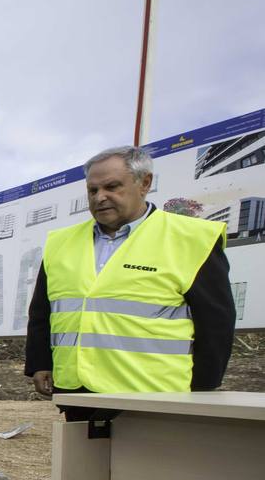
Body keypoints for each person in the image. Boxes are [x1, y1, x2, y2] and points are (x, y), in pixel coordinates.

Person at [24, 145, 235, 415]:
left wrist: (202, 389)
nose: (100, 197)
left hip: (153, 394)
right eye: (93, 190)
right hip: (77, 393)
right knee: (82, 459)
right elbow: (43, 311)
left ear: (144, 183)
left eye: (112, 187)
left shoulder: (192, 239)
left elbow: (216, 321)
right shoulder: (61, 243)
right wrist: (41, 363)